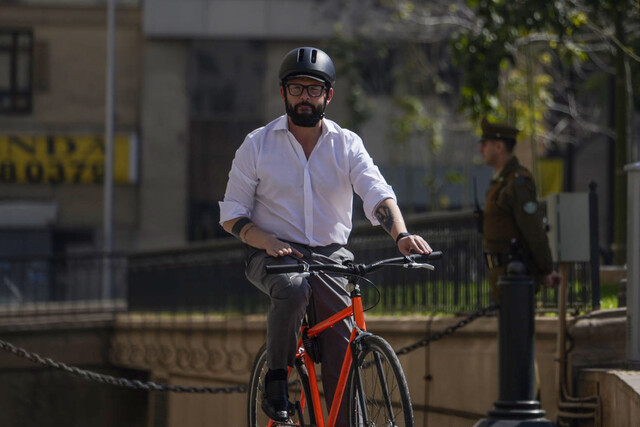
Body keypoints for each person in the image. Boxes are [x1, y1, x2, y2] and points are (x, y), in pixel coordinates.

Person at [219, 47, 432, 424]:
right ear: (283, 93)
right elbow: (231, 215)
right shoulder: (257, 144)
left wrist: (401, 235)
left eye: (314, 89)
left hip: (331, 255)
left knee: (341, 341)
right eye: (297, 88)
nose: (305, 97)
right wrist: (265, 240)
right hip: (271, 252)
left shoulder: (346, 144)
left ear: (328, 96)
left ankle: (344, 420)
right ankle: (276, 379)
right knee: (294, 288)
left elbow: (376, 192)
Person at [477, 117, 561, 301]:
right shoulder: (500, 182)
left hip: (515, 273)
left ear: (499, 147)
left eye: (484, 144)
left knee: (516, 326)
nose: (480, 149)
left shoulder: (518, 182)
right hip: (503, 274)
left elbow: (533, 228)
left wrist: (546, 269)